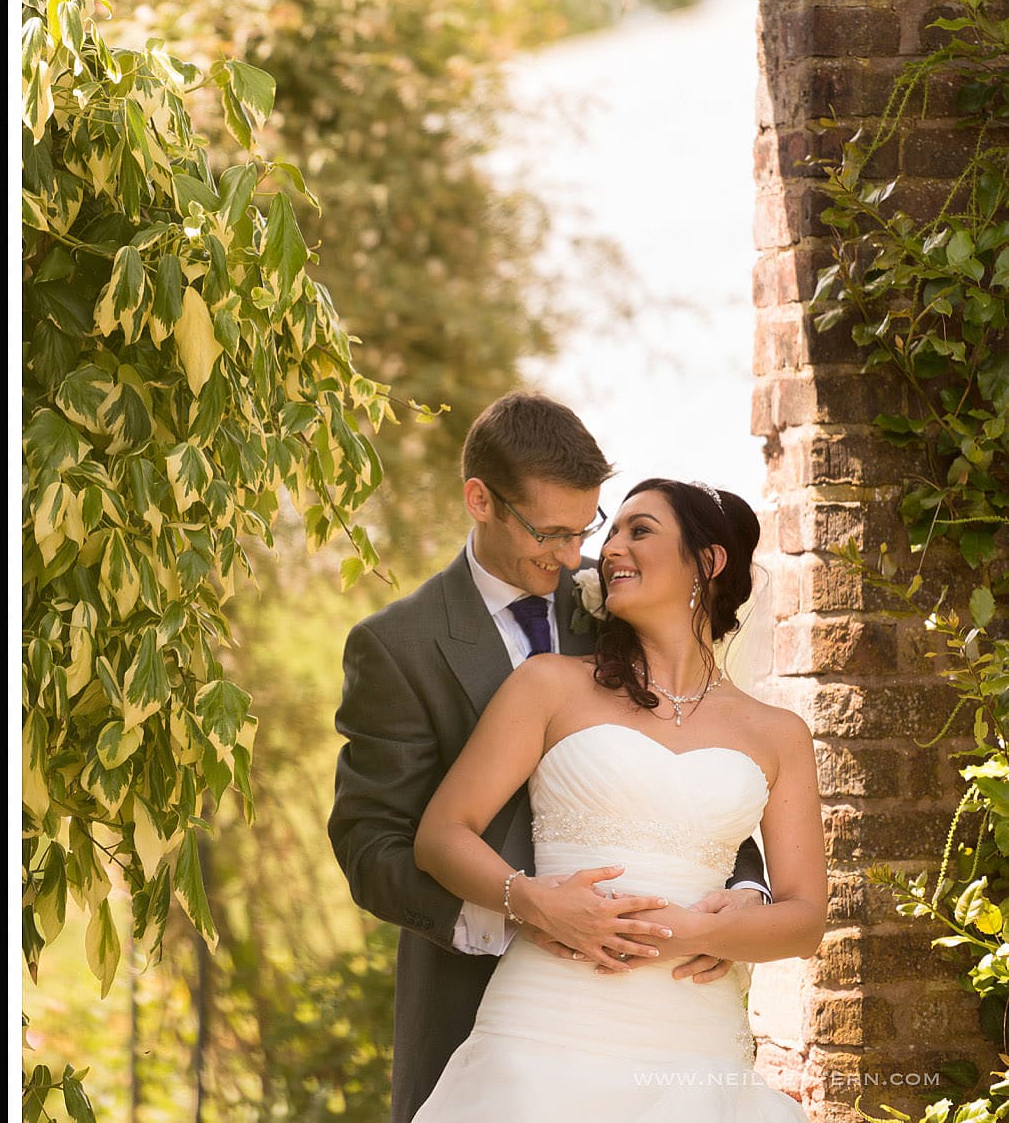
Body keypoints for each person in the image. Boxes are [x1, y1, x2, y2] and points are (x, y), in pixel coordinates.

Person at [328, 394, 771, 1121]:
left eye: (584, 528)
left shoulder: (623, 599)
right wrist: (521, 908)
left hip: (663, 1007)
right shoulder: (396, 646)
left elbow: (700, 761)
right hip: (485, 1004)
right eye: (551, 533)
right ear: (481, 500)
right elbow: (369, 844)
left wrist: (743, 898)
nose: (575, 556)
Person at [409, 477, 820, 1117]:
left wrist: (696, 930)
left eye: (640, 530)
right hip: (544, 1025)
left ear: (708, 563)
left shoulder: (779, 734)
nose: (611, 549)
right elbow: (442, 835)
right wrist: (536, 903)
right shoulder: (549, 686)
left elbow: (804, 918)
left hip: (695, 1043)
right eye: (613, 532)